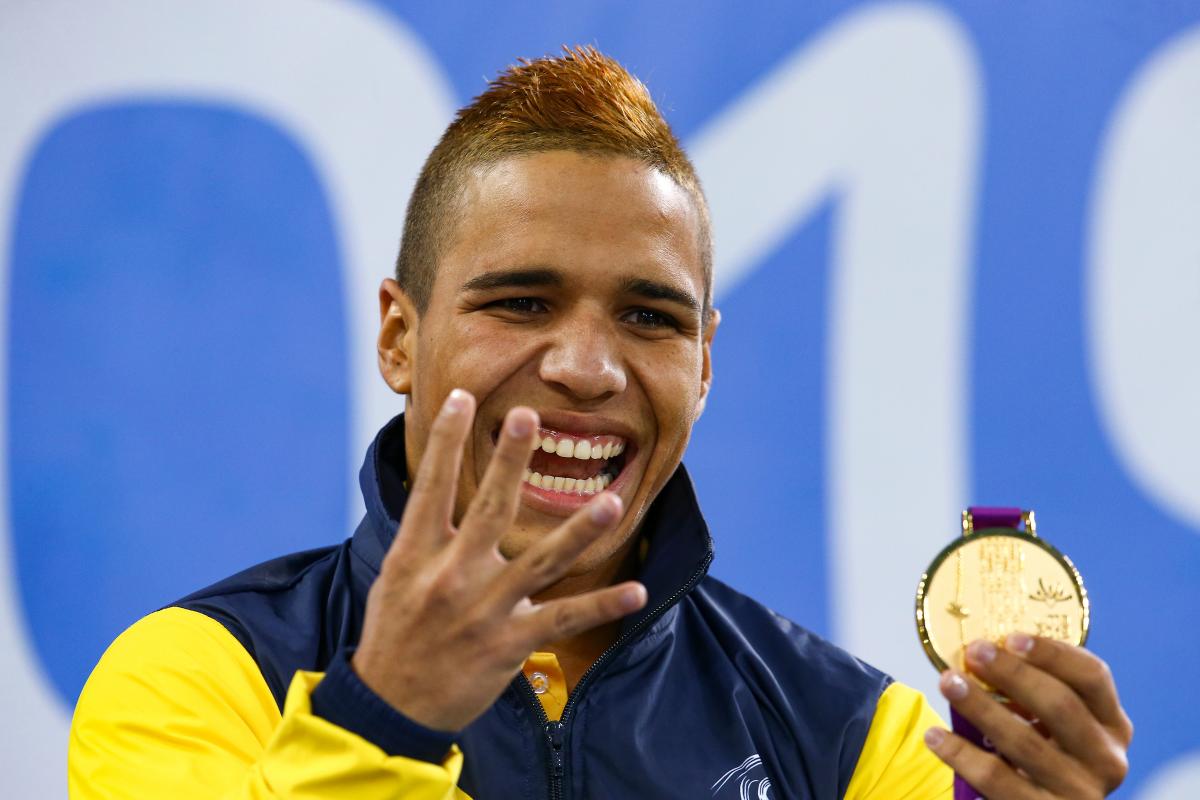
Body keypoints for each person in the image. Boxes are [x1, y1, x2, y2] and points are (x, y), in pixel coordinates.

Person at [68, 47, 1132, 799]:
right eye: (521, 301)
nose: (586, 366)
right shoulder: (194, 677)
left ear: (705, 361)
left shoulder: (855, 740)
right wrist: (382, 719)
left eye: (648, 315)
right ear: (400, 334)